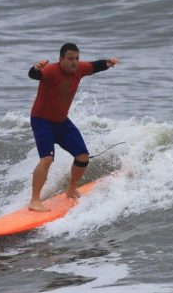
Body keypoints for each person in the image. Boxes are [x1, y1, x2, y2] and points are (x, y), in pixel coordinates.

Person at [27, 43, 119, 212]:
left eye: (76, 58)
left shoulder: (80, 69)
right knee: (47, 159)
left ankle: (72, 189)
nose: (74, 62)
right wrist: (35, 68)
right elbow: (35, 75)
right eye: (69, 59)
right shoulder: (51, 71)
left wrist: (108, 63)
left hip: (61, 122)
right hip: (42, 121)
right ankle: (34, 201)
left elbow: (95, 66)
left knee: (83, 156)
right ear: (61, 59)